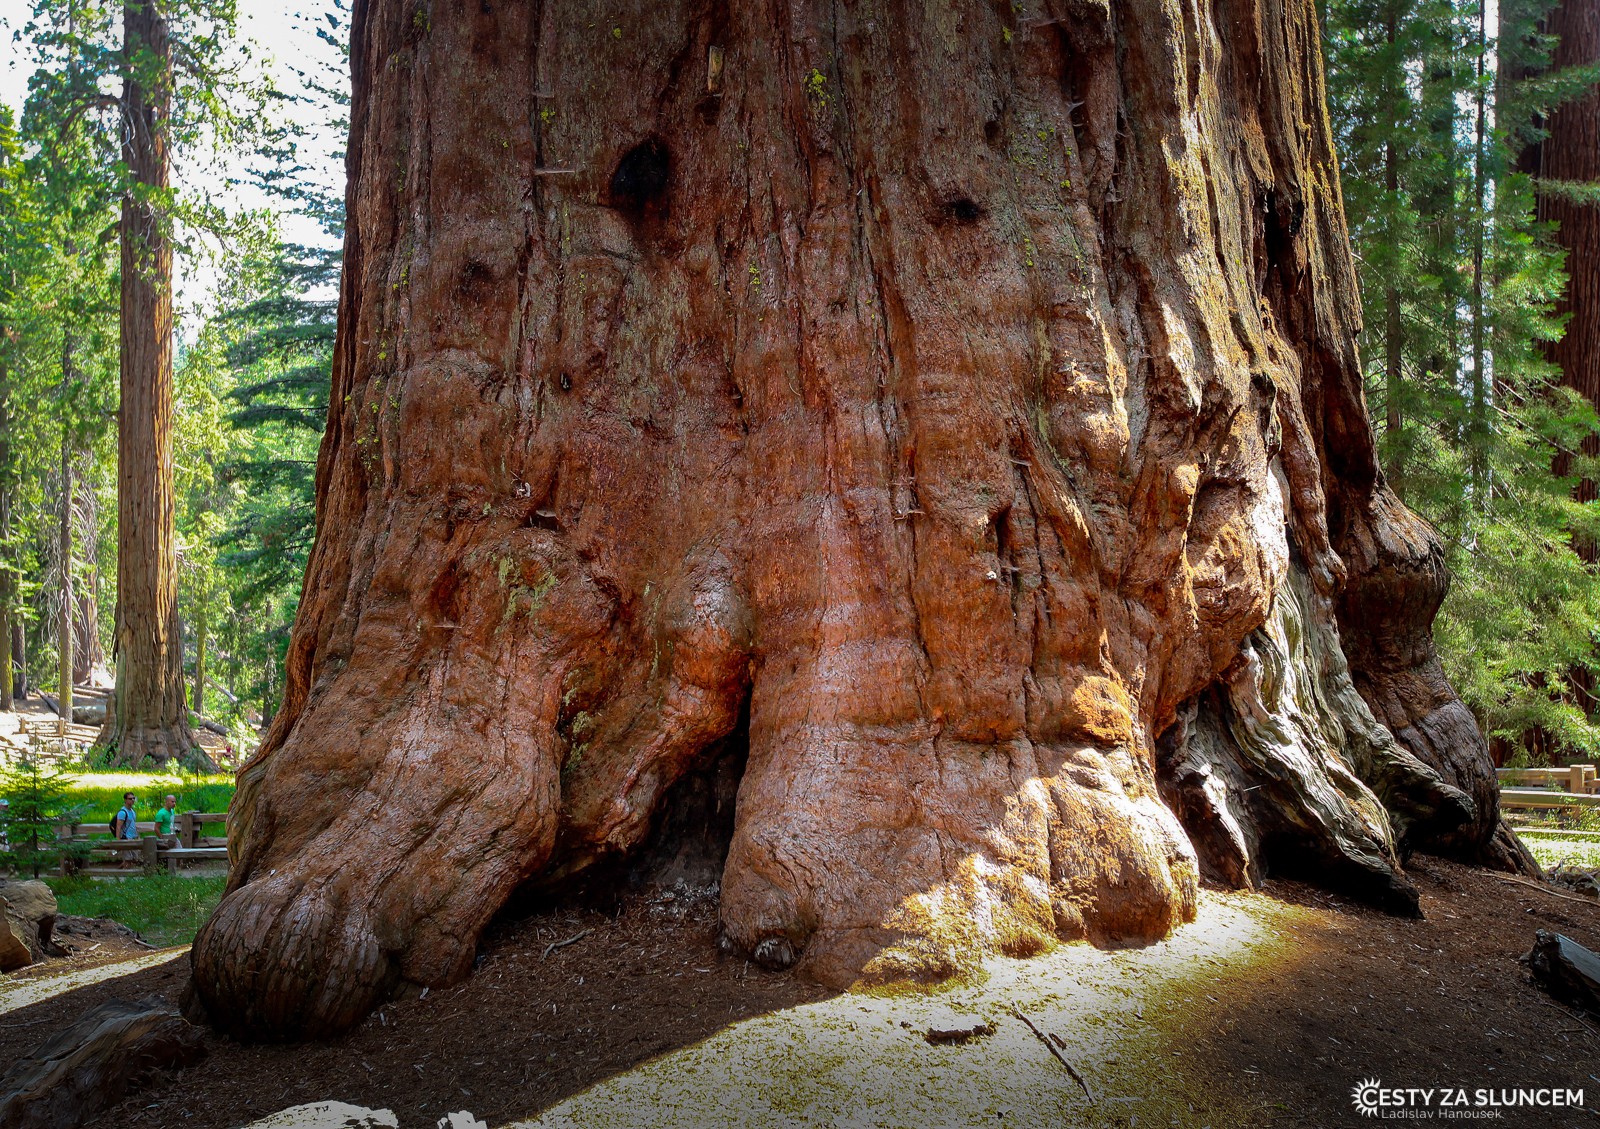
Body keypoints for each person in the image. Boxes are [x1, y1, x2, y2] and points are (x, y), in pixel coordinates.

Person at [114, 792, 139, 868]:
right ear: (125, 800)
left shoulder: (132, 811)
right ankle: (123, 873)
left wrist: (137, 835)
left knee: (135, 858)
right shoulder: (122, 812)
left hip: (133, 837)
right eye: (130, 799)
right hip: (126, 838)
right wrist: (118, 840)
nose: (132, 800)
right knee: (128, 859)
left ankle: (121, 868)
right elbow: (118, 826)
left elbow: (134, 825)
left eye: (133, 798)